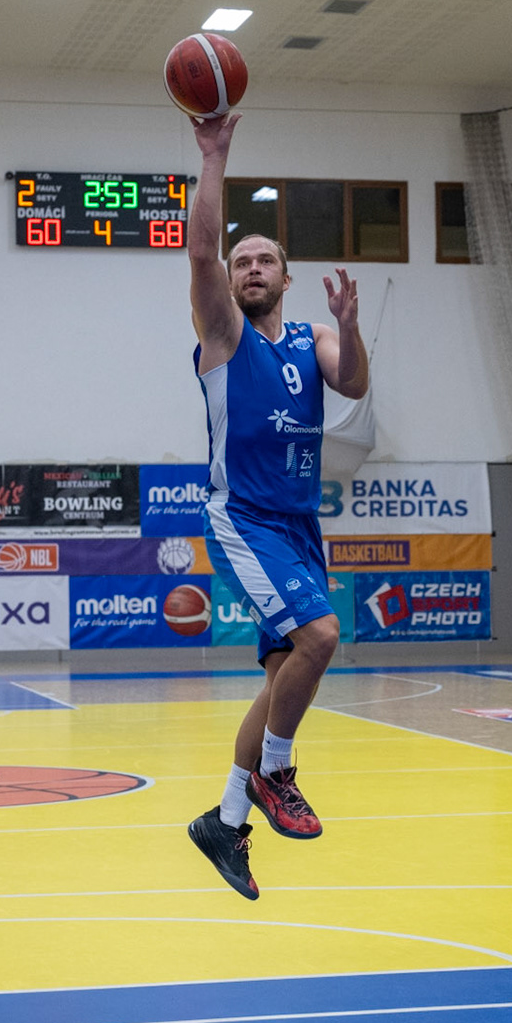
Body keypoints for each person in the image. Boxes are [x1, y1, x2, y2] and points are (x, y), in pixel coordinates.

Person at [182, 112, 369, 900]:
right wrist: (214, 157)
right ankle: (276, 773)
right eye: (242, 262)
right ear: (230, 282)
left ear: (286, 278)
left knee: (283, 675)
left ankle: (226, 820)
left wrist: (351, 327)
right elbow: (200, 251)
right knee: (320, 637)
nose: (251, 268)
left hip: (297, 524)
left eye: (265, 260)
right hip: (244, 516)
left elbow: (352, 383)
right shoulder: (224, 335)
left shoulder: (311, 339)